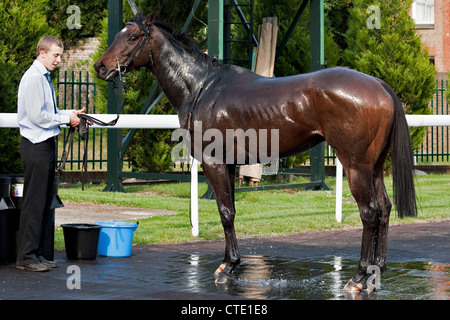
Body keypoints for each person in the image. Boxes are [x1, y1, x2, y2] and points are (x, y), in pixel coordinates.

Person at [16, 36, 85, 271]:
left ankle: (35, 254)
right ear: (42, 53)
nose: (58, 60)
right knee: (34, 202)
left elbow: (48, 112)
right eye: (55, 55)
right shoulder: (35, 78)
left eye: (60, 55)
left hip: (43, 144)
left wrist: (70, 113)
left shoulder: (43, 77)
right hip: (36, 146)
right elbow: (38, 116)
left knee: (43, 201)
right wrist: (67, 118)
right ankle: (26, 257)